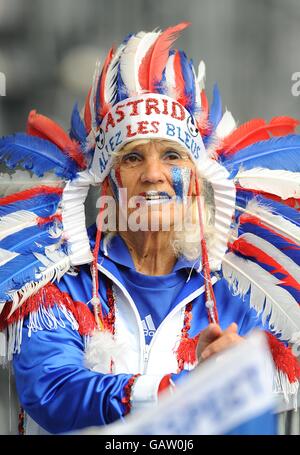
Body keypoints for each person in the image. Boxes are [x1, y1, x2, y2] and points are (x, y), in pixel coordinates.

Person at [0, 22, 299, 435]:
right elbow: (55, 391)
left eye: (173, 156)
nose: (154, 175)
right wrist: (181, 390)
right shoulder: (55, 284)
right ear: (108, 180)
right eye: (133, 158)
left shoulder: (243, 293)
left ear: (197, 177)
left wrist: (238, 378)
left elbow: (268, 408)